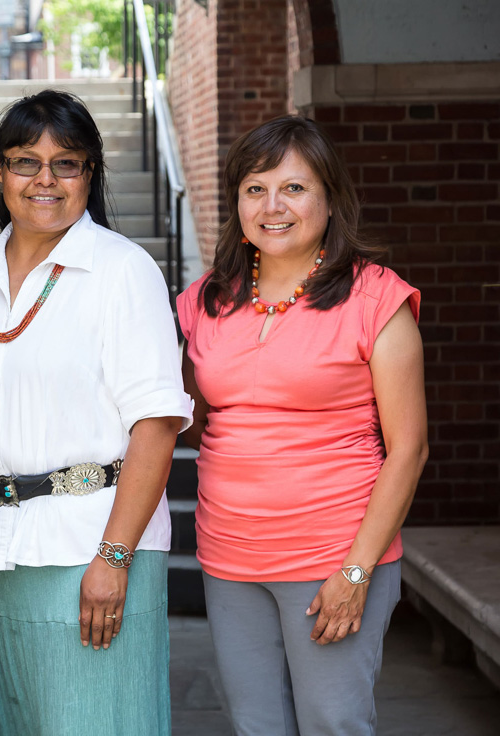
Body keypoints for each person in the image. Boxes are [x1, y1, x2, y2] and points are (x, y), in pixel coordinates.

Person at [0, 90, 193, 735]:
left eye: (66, 163)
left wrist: (113, 558)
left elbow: (155, 428)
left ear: (90, 174)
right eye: (25, 161)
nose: (44, 180)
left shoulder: (122, 270)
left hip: (92, 550)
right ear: (0, 172)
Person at [177, 115, 428, 735]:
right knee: (257, 726)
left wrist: (355, 571)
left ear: (330, 198)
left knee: (332, 724)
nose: (272, 206)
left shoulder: (375, 299)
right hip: (229, 556)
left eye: (294, 187)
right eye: (255, 188)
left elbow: (410, 450)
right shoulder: (205, 299)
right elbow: (184, 421)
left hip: (333, 556)